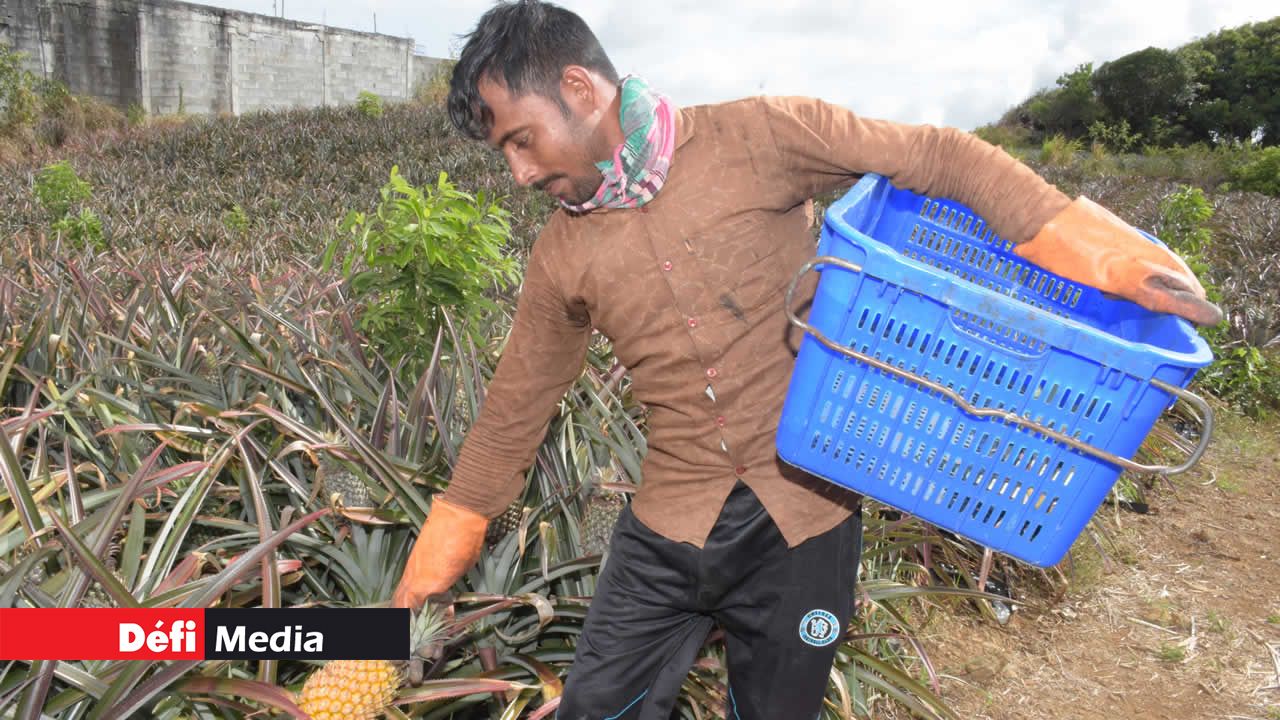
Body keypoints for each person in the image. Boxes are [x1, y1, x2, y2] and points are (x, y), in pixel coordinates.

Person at [391, 1, 1221, 717]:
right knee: (600, 706)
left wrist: (1094, 250)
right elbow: (513, 410)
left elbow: (936, 155)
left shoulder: (759, 135)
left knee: (781, 707)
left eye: (523, 141)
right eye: (506, 152)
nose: (520, 171)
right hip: (667, 530)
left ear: (579, 89)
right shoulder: (560, 255)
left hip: (808, 525)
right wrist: (431, 565)